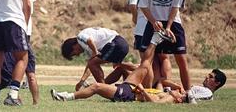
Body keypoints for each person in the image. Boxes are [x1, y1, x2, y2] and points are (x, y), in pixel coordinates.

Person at [52, 31, 181, 103]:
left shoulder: (170, 98)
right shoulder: (167, 92)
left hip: (130, 94)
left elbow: (155, 103)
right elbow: (161, 81)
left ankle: (66, 96)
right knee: (145, 64)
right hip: (131, 87)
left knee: (96, 86)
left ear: (179, 99)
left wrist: (143, 90)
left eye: (180, 94)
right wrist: (176, 87)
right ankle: (155, 39)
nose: (179, 92)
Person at [137, 0, 192, 96]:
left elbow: (175, 6)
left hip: (173, 22)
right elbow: (143, 5)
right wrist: (154, 21)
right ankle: (146, 92)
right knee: (147, 59)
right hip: (154, 22)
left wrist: (168, 27)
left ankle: (189, 94)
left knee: (181, 59)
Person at [128, 0, 171, 88]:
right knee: (163, 58)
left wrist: (135, 18)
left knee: (147, 61)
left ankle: (149, 89)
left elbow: (132, 4)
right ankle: (164, 86)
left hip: (143, 26)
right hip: (162, 25)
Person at [61, 27, 135, 91]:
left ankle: (104, 89)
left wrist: (95, 51)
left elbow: (89, 40)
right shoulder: (87, 47)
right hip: (121, 43)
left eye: (74, 53)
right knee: (118, 67)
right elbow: (90, 67)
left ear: (73, 46)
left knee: (93, 63)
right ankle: (134, 72)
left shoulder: (80, 38)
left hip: (115, 43)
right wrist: (82, 81)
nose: (77, 55)